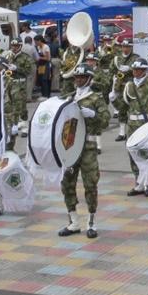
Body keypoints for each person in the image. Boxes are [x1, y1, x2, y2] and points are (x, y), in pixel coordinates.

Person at [58, 65, 110, 238]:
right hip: (71, 147)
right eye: (77, 77)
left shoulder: (96, 98)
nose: (78, 80)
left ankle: (91, 222)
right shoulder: (70, 97)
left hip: (88, 147)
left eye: (82, 77)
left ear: (89, 79)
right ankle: (73, 221)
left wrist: (93, 115)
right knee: (67, 183)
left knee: (90, 184)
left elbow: (106, 121)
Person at [113, 59, 148, 196]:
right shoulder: (129, 85)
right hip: (131, 124)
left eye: (138, 70)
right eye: (134, 70)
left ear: (144, 70)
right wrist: (114, 100)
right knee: (133, 154)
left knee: (147, 155)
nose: (135, 72)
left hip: (145, 124)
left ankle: (147, 184)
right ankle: (138, 184)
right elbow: (123, 107)